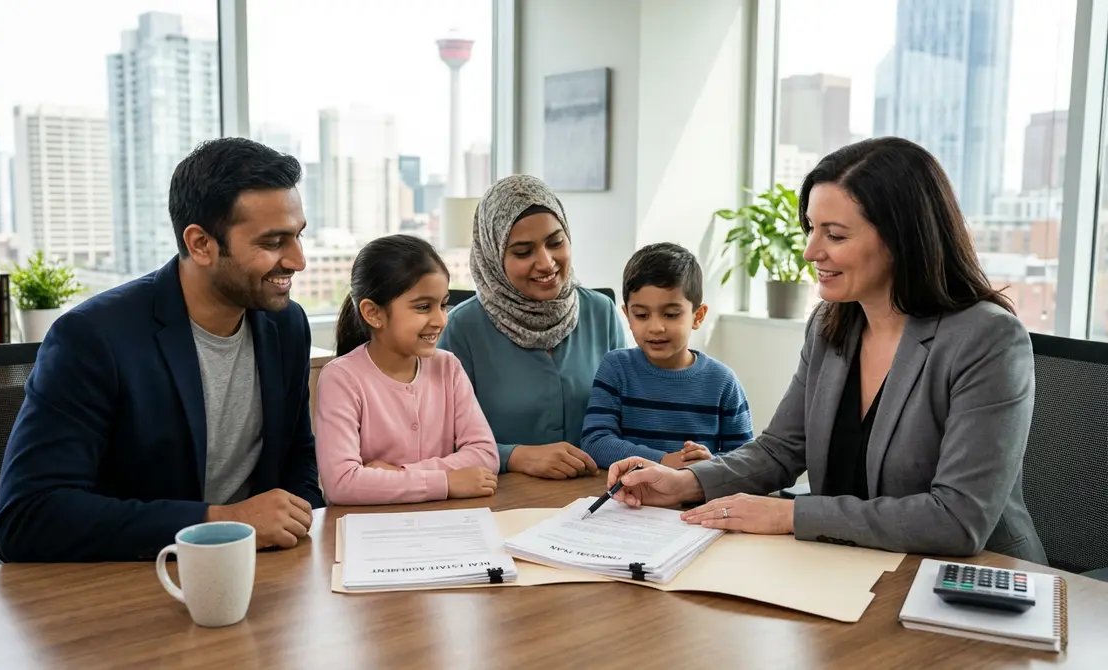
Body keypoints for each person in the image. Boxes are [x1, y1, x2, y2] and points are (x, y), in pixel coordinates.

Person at [605, 137, 1046, 562]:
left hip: (972, 578)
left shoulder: (987, 338)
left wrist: (790, 515)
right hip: (846, 566)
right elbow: (779, 449)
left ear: (901, 239)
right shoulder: (830, 324)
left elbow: (956, 518)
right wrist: (684, 482)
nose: (810, 251)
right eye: (812, 229)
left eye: (834, 235)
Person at [0, 138, 325, 562]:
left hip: (259, 568)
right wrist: (220, 522)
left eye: (298, 235)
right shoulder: (93, 338)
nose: (298, 260)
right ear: (200, 244)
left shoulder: (286, 324)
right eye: (273, 242)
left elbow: (297, 456)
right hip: (139, 576)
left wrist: (299, 528)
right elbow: (28, 514)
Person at [439, 174, 627, 479]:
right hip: (502, 497)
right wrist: (515, 456)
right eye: (523, 252)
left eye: (556, 242)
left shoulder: (600, 312)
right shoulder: (461, 329)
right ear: (494, 256)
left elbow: (628, 416)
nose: (546, 262)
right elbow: (441, 441)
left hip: (599, 493)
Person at [314, 235, 499, 505]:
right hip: (369, 526)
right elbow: (342, 484)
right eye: (423, 307)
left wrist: (399, 474)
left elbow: (485, 455)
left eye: (443, 304)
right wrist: (446, 482)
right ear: (373, 313)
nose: (440, 319)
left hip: (444, 520)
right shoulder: (341, 378)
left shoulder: (448, 367)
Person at [582, 243, 753, 469]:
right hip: (628, 491)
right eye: (641, 315)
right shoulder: (616, 368)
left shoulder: (723, 382)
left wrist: (710, 465)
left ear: (698, 316)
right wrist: (663, 461)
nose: (656, 327)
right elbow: (595, 443)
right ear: (627, 315)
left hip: (694, 491)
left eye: (671, 314)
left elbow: (745, 461)